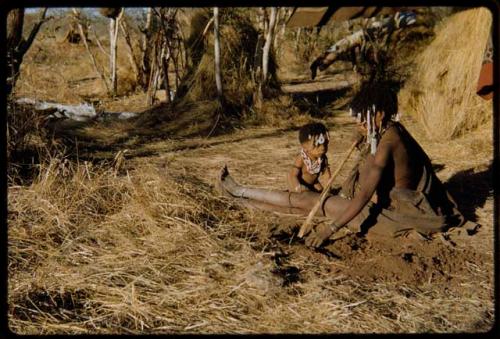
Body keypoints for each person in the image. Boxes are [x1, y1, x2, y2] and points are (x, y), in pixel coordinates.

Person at [217, 80, 476, 248]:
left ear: (379, 114)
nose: (359, 124)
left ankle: (240, 194)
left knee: (313, 202)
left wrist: (331, 230)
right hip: (391, 205)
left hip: (397, 215)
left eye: (363, 119)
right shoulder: (391, 131)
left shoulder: (388, 143)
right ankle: (241, 195)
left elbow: (364, 194)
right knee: (310, 204)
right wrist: (364, 140)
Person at [288, 123, 332, 193]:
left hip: (314, 184)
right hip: (299, 186)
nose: (323, 148)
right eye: (318, 145)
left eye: (325, 144)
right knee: (307, 196)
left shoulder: (323, 159)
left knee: (325, 194)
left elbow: (326, 175)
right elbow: (292, 175)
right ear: (305, 147)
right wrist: (298, 187)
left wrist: (328, 188)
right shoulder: (301, 158)